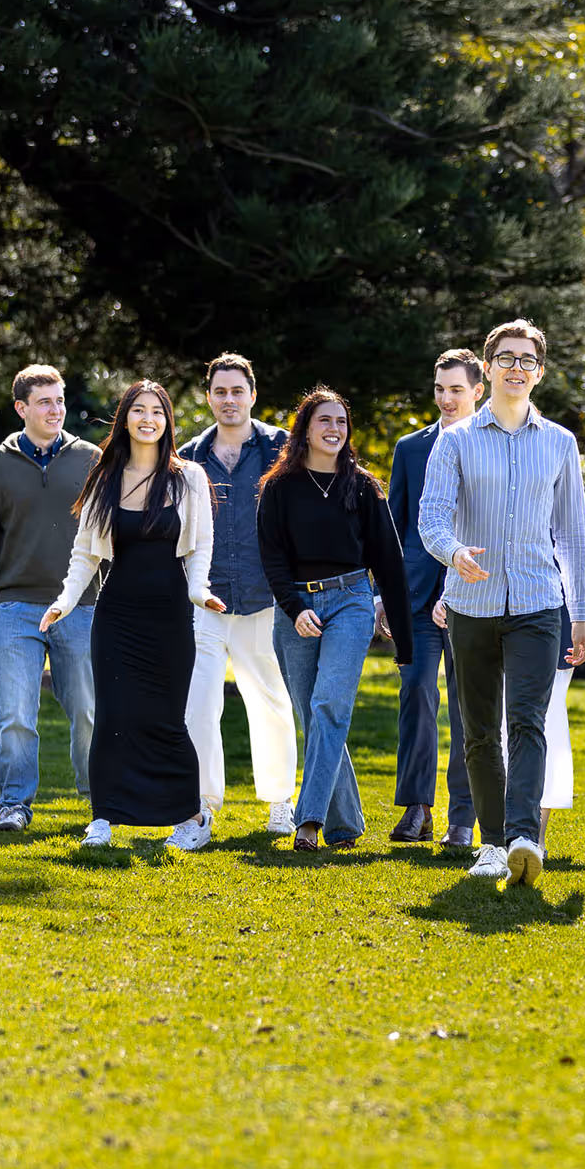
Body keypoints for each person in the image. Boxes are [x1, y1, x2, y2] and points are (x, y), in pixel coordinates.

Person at [418, 319, 585, 887]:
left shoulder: (560, 443)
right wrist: (452, 551)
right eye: (506, 358)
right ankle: (491, 844)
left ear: (538, 374)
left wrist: (581, 615)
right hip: (471, 602)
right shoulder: (456, 439)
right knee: (478, 729)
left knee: (527, 721)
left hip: (539, 605)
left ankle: (523, 835)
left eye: (527, 360)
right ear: (486, 369)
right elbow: (432, 515)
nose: (516, 367)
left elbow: (572, 534)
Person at [42, 380, 224, 849]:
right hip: (117, 615)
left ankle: (191, 819)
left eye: (157, 412)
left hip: (168, 615)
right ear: (124, 418)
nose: (148, 419)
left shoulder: (189, 478)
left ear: (168, 421)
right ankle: (104, 817)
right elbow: (85, 553)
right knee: (114, 716)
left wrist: (199, 591)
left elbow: (200, 546)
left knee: (166, 718)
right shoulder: (105, 477)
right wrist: (64, 601)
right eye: (138, 410)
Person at [258, 388, 413, 851]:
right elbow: (272, 558)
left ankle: (309, 821)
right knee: (314, 716)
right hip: (295, 610)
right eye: (324, 420)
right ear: (304, 428)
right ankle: (347, 825)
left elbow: (389, 561)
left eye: (342, 422)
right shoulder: (278, 488)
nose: (334, 429)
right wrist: (295, 607)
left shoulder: (362, 486)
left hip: (350, 601)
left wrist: (404, 642)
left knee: (330, 706)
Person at [0, 365, 101, 833]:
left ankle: (97, 794)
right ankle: (14, 806)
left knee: (86, 708)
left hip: (80, 607)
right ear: (22, 408)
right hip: (16, 608)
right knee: (17, 714)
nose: (56, 409)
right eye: (45, 402)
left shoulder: (90, 458)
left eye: (60, 400)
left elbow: (108, 535)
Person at [436, 494, 585, 852]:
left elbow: (583, 558)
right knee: (490, 729)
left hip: (548, 626)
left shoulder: (564, 485)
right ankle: (499, 835)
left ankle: (531, 835)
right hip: (485, 617)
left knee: (540, 725)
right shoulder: (488, 481)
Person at [177, 353, 297, 843]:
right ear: (208, 398)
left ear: (252, 394)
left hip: (266, 597)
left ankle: (279, 803)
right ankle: (201, 808)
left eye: (237, 391)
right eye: (220, 392)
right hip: (205, 598)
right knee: (199, 705)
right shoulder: (187, 456)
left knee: (270, 701)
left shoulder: (281, 449)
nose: (229, 400)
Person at [384, 350, 484, 849]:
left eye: (456, 390)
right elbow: (394, 528)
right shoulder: (410, 448)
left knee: (469, 708)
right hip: (417, 598)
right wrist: (385, 593)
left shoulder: (492, 445)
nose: (446, 399)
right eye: (440, 389)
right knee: (417, 694)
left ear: (477, 392)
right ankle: (417, 808)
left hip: (474, 595)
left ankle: (463, 818)